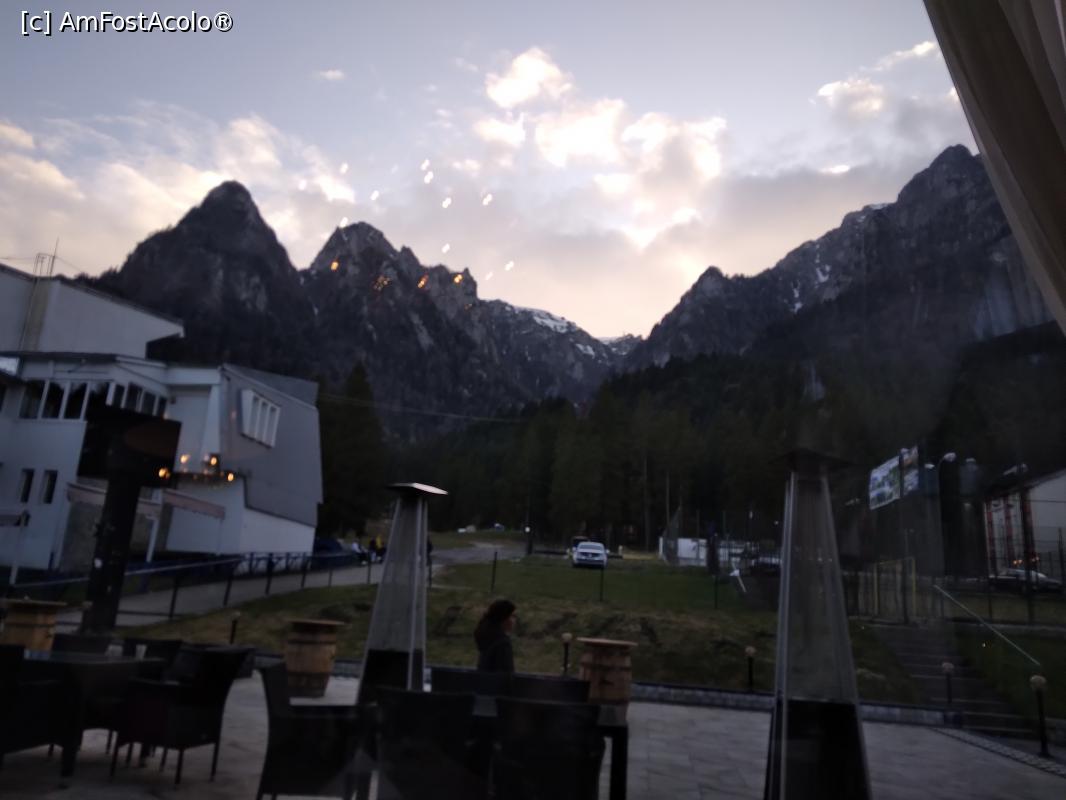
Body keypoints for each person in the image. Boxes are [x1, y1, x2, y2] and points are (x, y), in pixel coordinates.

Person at [474, 598, 516, 673]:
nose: (513, 620)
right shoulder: (502, 644)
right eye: (511, 616)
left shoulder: (487, 638)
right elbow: (506, 673)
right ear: (504, 619)